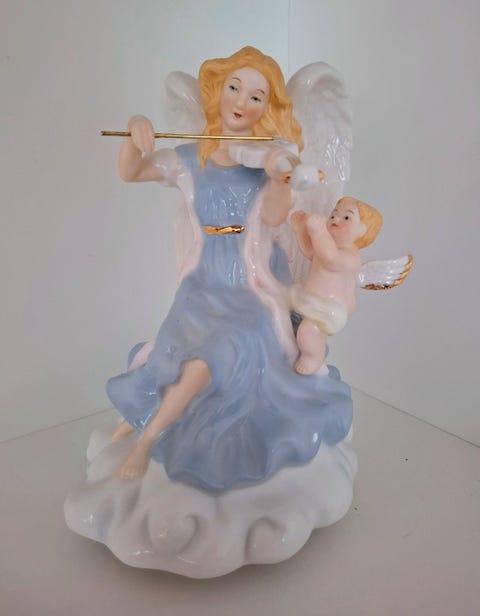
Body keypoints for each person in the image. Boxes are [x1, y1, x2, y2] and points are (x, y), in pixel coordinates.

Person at [106, 47, 353, 491]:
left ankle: (149, 437)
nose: (242, 102)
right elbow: (131, 171)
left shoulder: (266, 161)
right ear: (216, 93)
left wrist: (281, 175)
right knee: (172, 347)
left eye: (256, 97)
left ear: (267, 108)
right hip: (204, 280)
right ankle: (141, 414)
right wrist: (133, 133)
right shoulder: (189, 159)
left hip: (250, 284)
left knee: (215, 352)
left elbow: (275, 215)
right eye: (234, 88)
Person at [289, 198, 382, 375]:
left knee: (309, 331)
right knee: (293, 319)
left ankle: (313, 358)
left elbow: (330, 258)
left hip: (329, 308)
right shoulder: (328, 246)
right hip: (311, 300)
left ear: (362, 230)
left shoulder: (351, 257)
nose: (336, 219)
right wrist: (300, 229)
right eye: (334, 215)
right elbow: (310, 251)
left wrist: (318, 231)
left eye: (346, 218)